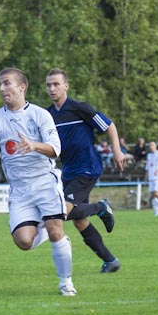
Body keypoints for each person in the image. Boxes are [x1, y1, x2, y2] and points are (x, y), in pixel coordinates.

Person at [0, 67, 76, 296]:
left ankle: (66, 283)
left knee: (56, 231)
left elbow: (56, 149)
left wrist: (34, 145)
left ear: (22, 87)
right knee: (23, 242)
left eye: (6, 83)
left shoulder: (40, 115)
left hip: (45, 182)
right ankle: (50, 231)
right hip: (19, 189)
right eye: (0, 84)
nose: (1, 88)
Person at [45, 68, 121, 274]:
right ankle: (110, 261)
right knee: (79, 220)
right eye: (49, 85)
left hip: (87, 167)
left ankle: (101, 207)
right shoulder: (47, 115)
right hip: (68, 171)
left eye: (56, 84)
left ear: (66, 86)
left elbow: (109, 126)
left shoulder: (80, 108)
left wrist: (116, 150)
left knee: (61, 212)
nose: (52, 88)